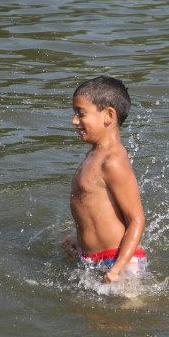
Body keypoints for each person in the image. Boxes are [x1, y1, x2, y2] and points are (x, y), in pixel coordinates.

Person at [61, 76, 146, 284]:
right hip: (92, 259)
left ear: (108, 115)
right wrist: (81, 242)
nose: (74, 121)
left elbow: (136, 219)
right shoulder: (94, 154)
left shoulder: (113, 161)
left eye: (81, 114)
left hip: (116, 262)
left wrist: (118, 267)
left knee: (125, 314)